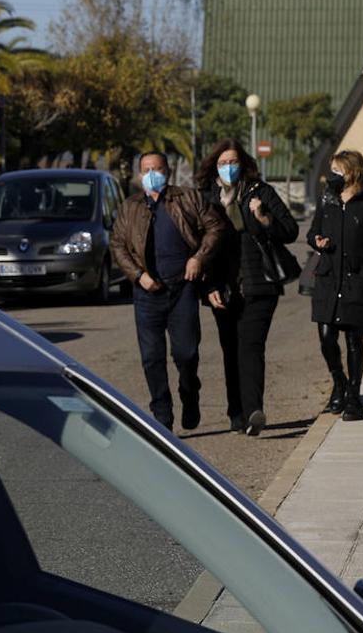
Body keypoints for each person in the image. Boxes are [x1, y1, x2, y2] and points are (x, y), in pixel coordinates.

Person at [109, 151, 229, 432]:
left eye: (157, 169)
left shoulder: (187, 198)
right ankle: (162, 415)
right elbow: (117, 245)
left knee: (186, 353)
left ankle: (190, 394)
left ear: (168, 171)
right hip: (147, 293)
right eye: (146, 169)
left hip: (182, 289)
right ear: (140, 175)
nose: (152, 174)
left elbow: (215, 227)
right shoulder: (131, 206)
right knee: (152, 357)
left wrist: (198, 258)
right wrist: (138, 276)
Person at [195, 140, 299, 436]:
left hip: (260, 283)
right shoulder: (206, 198)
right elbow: (199, 244)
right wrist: (208, 286)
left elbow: (290, 231)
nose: (229, 168)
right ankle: (236, 412)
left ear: (243, 163)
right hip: (223, 287)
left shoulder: (260, 192)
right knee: (231, 349)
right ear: (214, 166)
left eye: (234, 162)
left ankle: (254, 410)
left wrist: (264, 218)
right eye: (223, 163)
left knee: (251, 346)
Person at [307, 150, 363, 422]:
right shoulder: (328, 199)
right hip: (328, 279)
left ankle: (354, 396)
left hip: (356, 282)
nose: (332, 175)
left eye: (337, 170)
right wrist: (317, 240)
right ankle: (338, 382)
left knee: (353, 340)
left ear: (351, 171)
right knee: (327, 338)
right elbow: (312, 231)